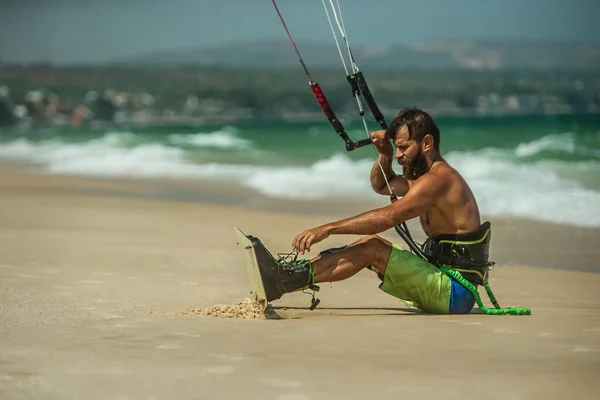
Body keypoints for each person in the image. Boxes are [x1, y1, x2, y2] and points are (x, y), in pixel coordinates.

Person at [253, 107, 494, 314]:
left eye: (403, 148)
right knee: (368, 247)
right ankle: (284, 278)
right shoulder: (423, 180)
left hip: (456, 293)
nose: (399, 155)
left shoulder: (439, 179)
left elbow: (389, 216)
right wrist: (385, 155)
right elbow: (381, 184)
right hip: (441, 279)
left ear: (427, 143)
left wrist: (328, 229)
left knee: (373, 247)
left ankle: (282, 279)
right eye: (396, 149)